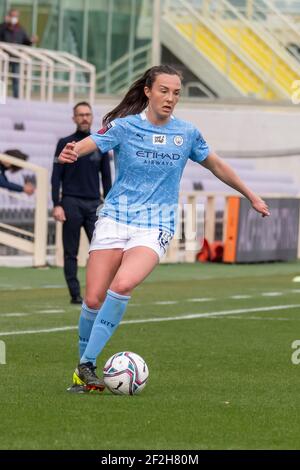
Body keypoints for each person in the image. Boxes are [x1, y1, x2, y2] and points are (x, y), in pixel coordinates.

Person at [57, 65, 270, 393]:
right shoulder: (125, 127)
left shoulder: (187, 133)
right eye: (164, 91)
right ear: (148, 91)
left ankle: (87, 364)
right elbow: (94, 143)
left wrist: (251, 195)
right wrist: (74, 150)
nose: (170, 98)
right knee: (94, 297)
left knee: (124, 283)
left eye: (176, 93)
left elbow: (217, 165)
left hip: (156, 223)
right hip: (116, 217)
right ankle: (81, 371)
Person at [51, 101, 112, 305]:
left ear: (92, 117)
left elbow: (106, 178)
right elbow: (55, 176)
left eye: (88, 114)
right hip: (70, 202)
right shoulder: (64, 143)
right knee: (71, 251)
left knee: (101, 251)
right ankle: (75, 294)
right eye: (80, 115)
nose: (85, 118)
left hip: (95, 204)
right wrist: (56, 204)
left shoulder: (100, 143)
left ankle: (97, 292)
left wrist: (110, 205)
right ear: (74, 118)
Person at [0, 8, 38, 98]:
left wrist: (31, 41)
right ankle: (1, 97)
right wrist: (5, 24)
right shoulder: (2, 27)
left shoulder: (20, 29)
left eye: (16, 16)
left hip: (16, 57)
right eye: (12, 16)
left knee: (16, 78)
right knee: (1, 78)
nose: (14, 18)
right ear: (8, 16)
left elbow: (26, 42)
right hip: (3, 57)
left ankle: (16, 97)